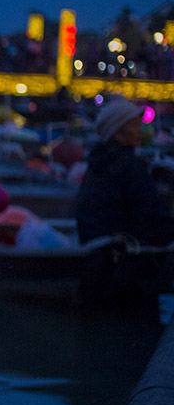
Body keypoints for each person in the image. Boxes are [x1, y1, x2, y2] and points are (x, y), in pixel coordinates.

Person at [74, 97, 174, 303]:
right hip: (121, 260)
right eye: (136, 126)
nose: (141, 131)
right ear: (119, 130)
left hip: (99, 254)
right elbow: (151, 215)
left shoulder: (97, 162)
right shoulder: (129, 166)